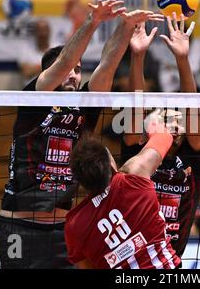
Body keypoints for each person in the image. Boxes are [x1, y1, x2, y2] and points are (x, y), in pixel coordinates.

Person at [0, 0, 164, 269]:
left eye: (78, 71)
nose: (73, 75)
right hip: (19, 227)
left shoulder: (87, 105)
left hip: (63, 230)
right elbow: (64, 61)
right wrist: (92, 21)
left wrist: (126, 26)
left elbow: (107, 64)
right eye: (69, 71)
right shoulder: (34, 100)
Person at [121, 13, 200, 258]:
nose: (173, 122)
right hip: (133, 261)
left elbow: (190, 105)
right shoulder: (137, 154)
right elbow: (136, 103)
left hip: (171, 262)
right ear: (148, 129)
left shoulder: (191, 161)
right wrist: (137, 56)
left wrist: (182, 58)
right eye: (165, 117)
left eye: (177, 120)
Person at [65, 110, 181, 269]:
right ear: (111, 164)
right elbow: (163, 135)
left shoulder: (74, 225)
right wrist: (153, 118)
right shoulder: (134, 177)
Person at [17, 18, 52, 87]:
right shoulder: (25, 50)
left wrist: (35, 68)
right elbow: (26, 72)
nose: (43, 34)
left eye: (45, 30)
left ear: (49, 32)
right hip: (31, 91)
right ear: (35, 32)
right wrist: (50, 65)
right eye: (40, 30)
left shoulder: (58, 48)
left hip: (53, 90)